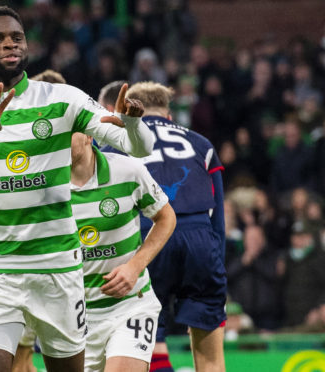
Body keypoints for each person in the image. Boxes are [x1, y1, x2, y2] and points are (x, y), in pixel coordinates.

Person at [0, 6, 154, 372]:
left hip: (58, 268)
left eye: (16, 37)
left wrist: (134, 125)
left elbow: (139, 148)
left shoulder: (63, 98)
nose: (9, 44)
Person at [0, 132, 176, 372]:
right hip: (73, 315)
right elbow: (19, 232)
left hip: (128, 306)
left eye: (68, 133)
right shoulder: (40, 183)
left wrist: (134, 267)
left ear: (89, 134)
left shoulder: (128, 171)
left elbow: (166, 218)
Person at [104, 82, 227, 372]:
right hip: (200, 240)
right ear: (169, 115)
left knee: (146, 342)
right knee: (210, 355)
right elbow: (218, 215)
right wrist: (216, 264)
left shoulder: (114, 144)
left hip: (149, 236)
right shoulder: (201, 143)